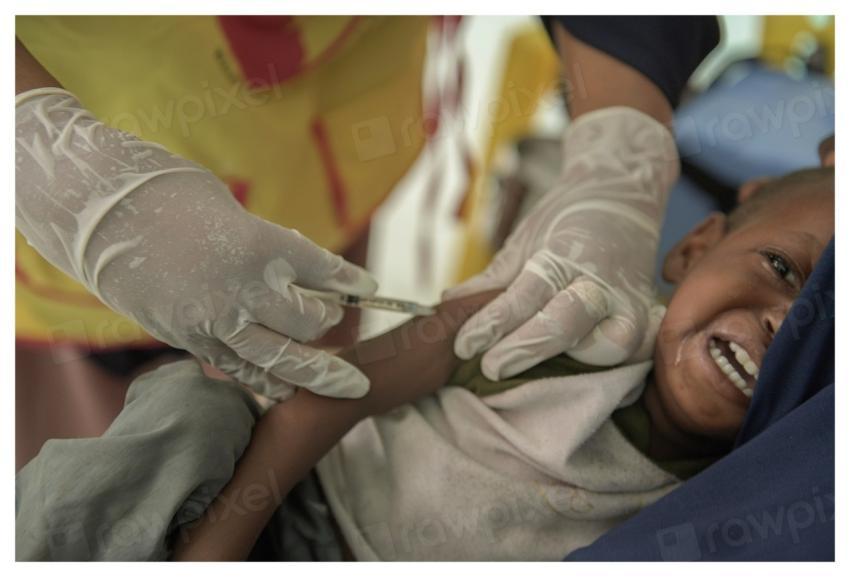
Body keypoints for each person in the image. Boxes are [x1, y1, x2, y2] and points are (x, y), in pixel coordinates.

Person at [16, 157, 834, 560]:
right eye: (781, 270)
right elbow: (326, 398)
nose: (780, 326)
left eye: (826, 340)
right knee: (194, 409)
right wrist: (216, 555)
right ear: (694, 246)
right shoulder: (563, 316)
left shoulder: (735, 506)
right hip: (280, 502)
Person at [14, 16, 719, 411]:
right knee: (133, 384)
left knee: (305, 323)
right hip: (86, 192)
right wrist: (57, 169)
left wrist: (619, 152)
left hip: (341, 143)